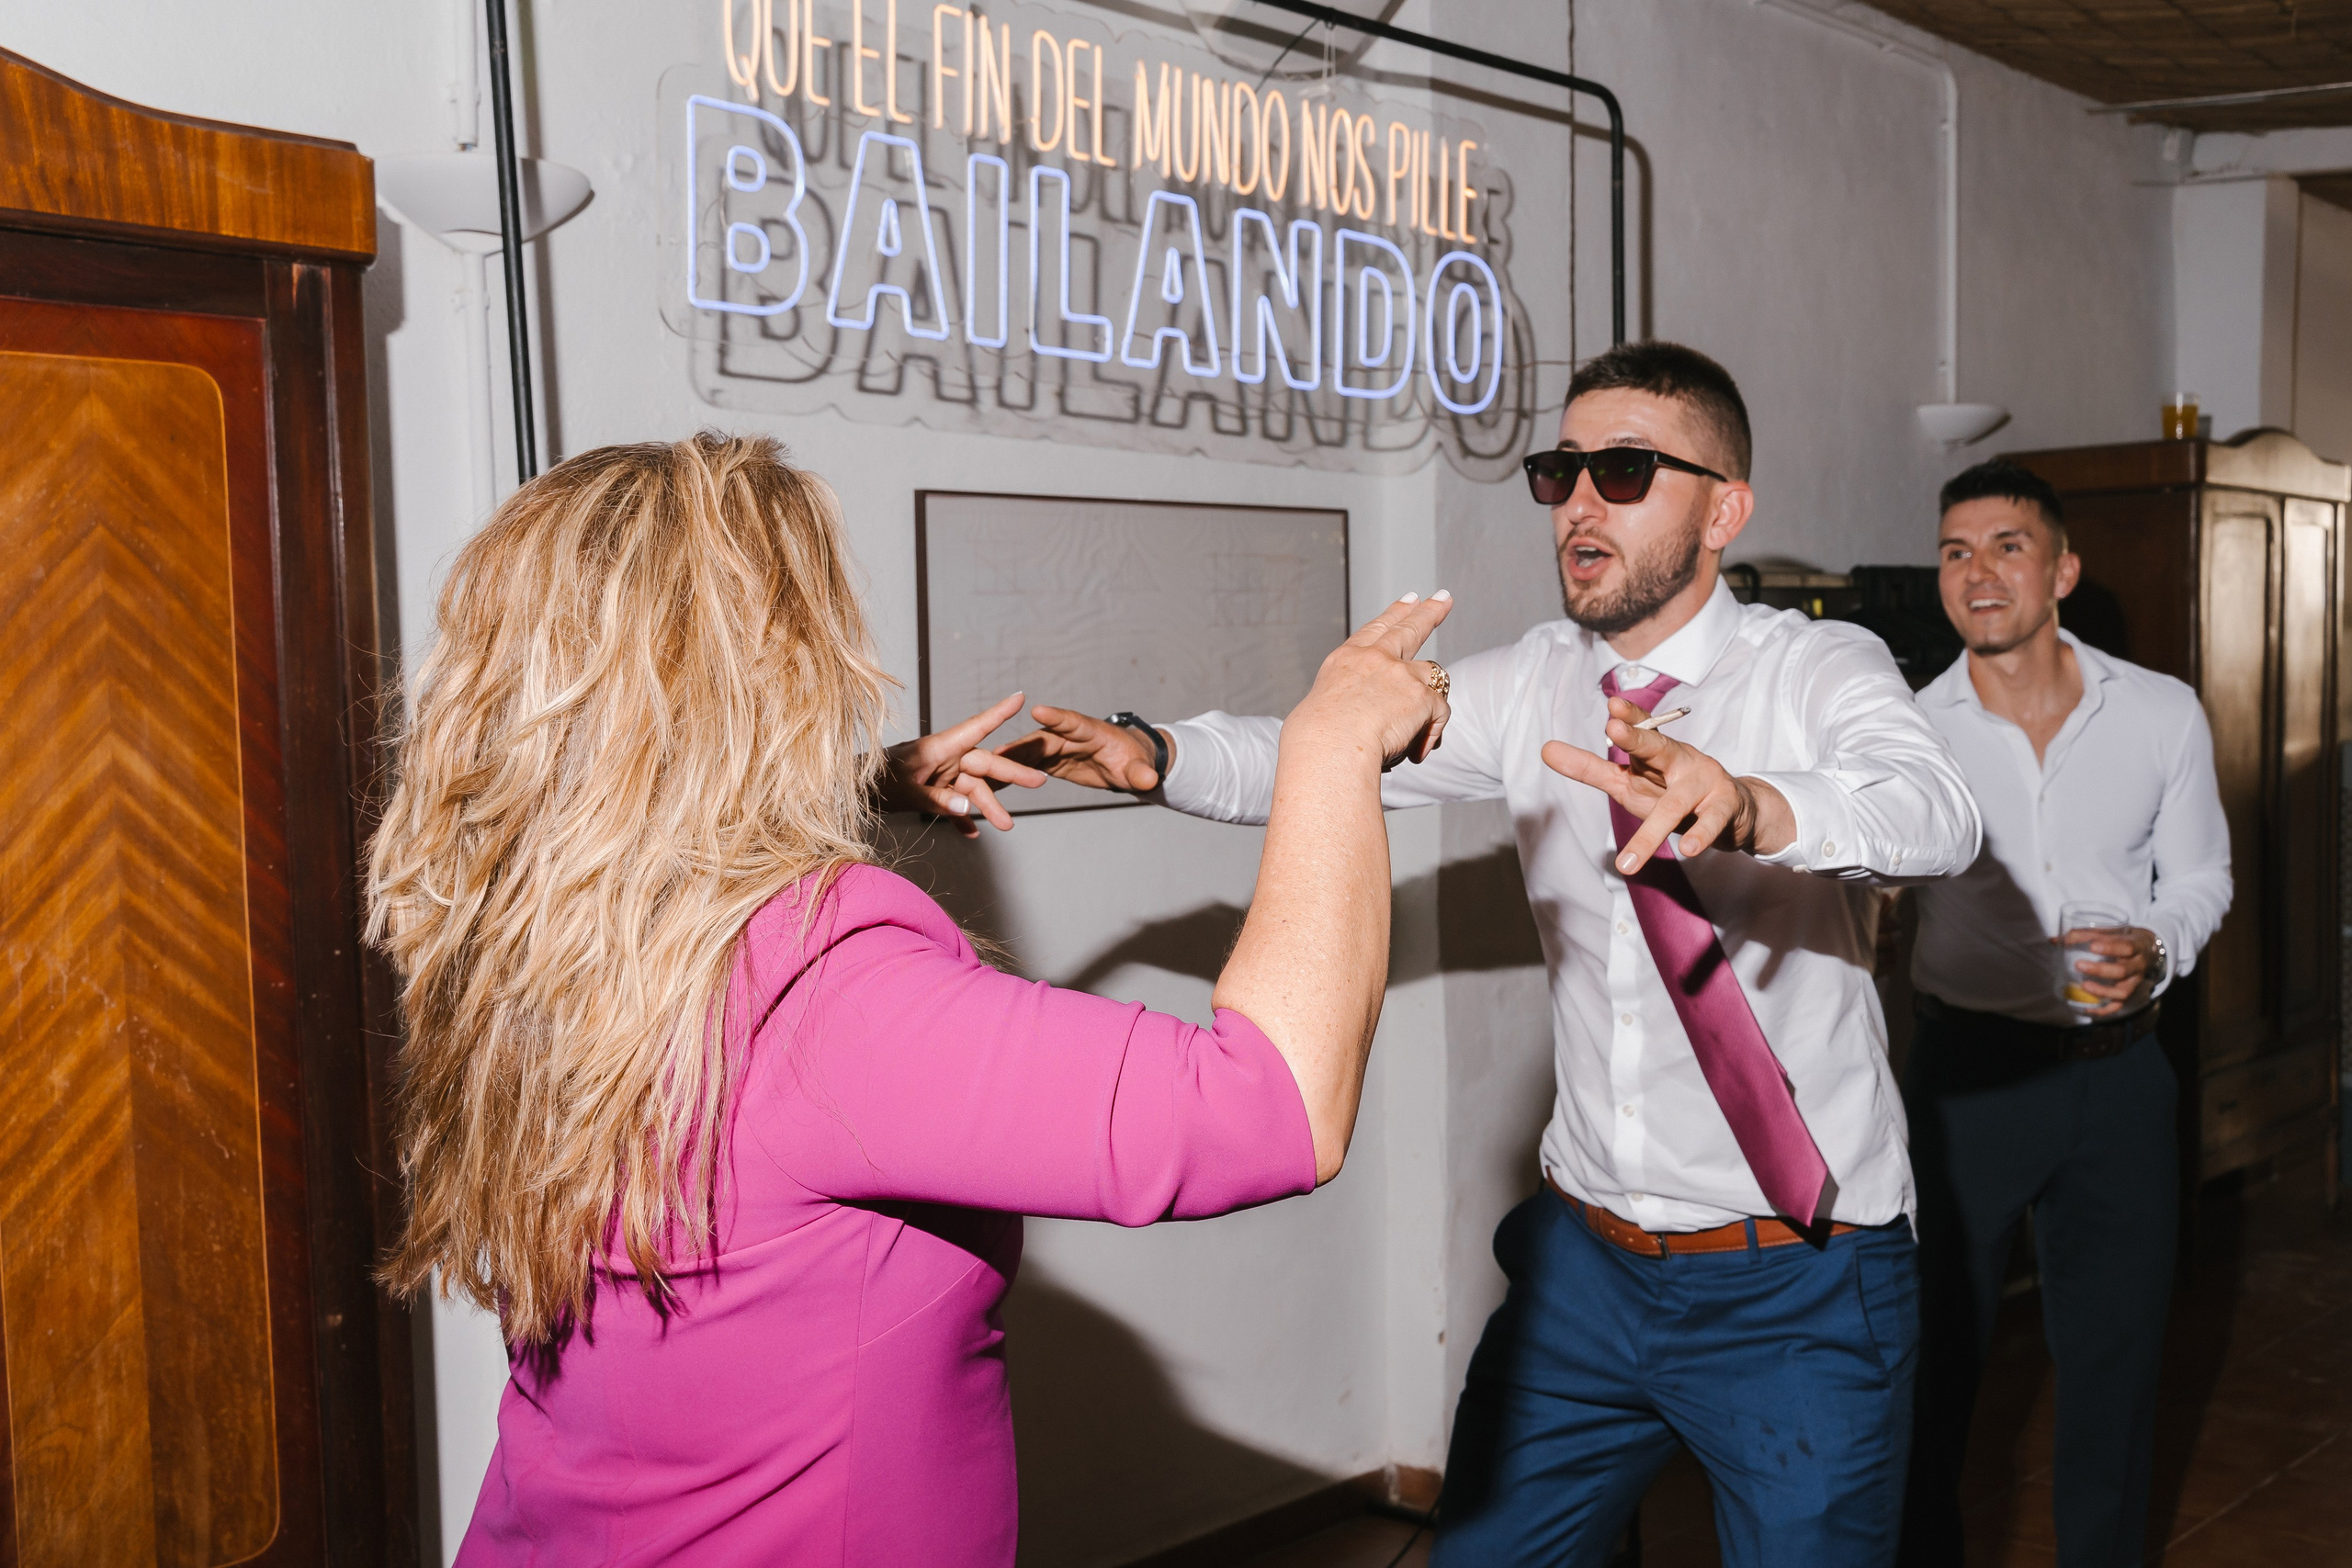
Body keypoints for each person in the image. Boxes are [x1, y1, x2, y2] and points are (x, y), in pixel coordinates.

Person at [363, 433, 1453, 1566]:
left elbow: (635, 825)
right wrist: (1331, 742)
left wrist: (845, 784)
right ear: (776, 662)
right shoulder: (819, 987)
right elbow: (1274, 1110)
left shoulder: (504, 919)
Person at [990, 342, 1984, 1565]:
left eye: (1625, 469)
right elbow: (1328, 746)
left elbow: (1937, 813)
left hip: (1798, 1281)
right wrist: (1159, 755)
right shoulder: (1529, 684)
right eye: (1560, 469)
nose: (1579, 499)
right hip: (1589, 1271)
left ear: (1724, 507)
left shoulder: (1816, 667)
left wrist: (1757, 803)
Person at [1897, 459, 2231, 1568]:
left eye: (2004, 546)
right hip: (1965, 1086)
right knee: (1931, 1371)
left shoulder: (2160, 713)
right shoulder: (1903, 731)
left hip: (2117, 1082)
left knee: (2115, 1369)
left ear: (2062, 571)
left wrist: (2158, 945)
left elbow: (2200, 878)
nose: (1976, 572)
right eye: (1954, 551)